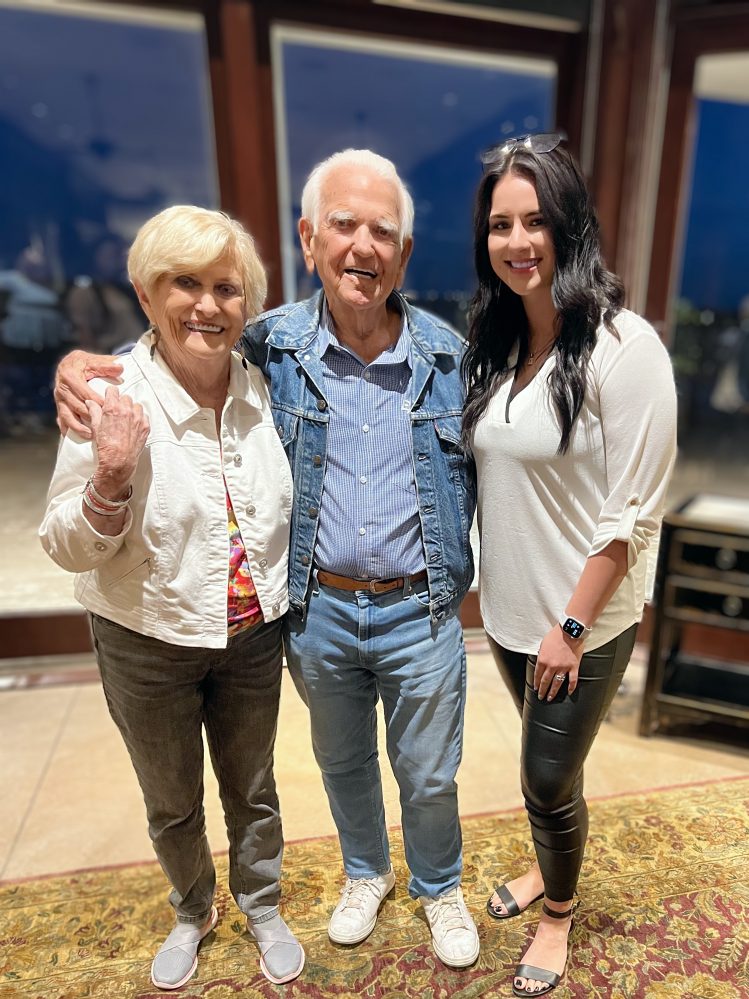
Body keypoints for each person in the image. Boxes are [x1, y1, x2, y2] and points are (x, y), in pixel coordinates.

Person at [53, 149, 480, 969]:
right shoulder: (270, 345)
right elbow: (174, 334)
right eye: (343, 226)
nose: (362, 245)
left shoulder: (450, 357)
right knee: (341, 758)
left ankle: (439, 884)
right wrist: (77, 369)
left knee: (428, 772)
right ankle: (365, 872)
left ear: (405, 253)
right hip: (317, 608)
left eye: (382, 231)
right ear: (309, 238)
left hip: (419, 606)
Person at [40, 205, 304, 990]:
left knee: (253, 786)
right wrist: (110, 482)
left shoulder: (261, 387)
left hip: (252, 632)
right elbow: (61, 541)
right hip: (144, 635)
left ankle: (261, 902)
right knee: (171, 796)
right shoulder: (110, 394)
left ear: (246, 302)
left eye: (226, 288)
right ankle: (193, 908)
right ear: (146, 291)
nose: (206, 305)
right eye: (183, 283)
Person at [461, 134, 677, 997]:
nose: (517, 241)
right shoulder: (499, 338)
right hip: (511, 612)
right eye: (499, 224)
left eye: (535, 221)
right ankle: (547, 855)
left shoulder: (625, 349)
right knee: (555, 763)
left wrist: (571, 626)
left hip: (579, 622)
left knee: (544, 775)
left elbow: (631, 513)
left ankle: (557, 912)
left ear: (570, 224)